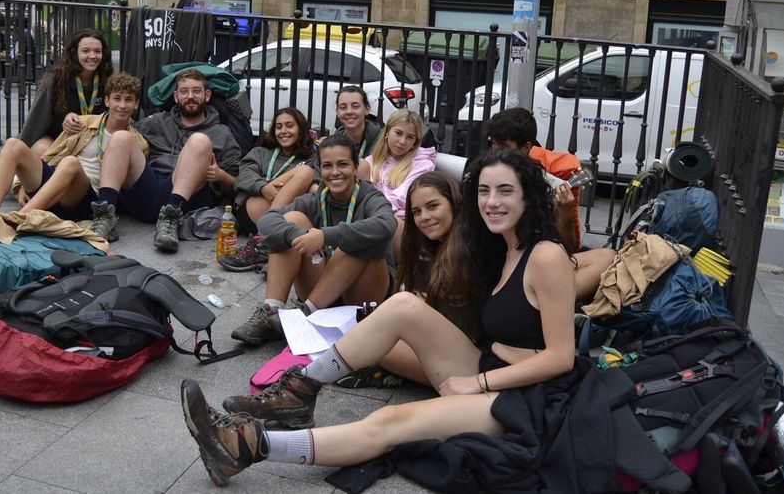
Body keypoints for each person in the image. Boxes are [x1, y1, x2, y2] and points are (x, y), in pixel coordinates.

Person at [180, 149, 578, 485]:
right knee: (403, 306)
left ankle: (245, 447)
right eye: (485, 191)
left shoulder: (545, 255)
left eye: (506, 191)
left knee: (389, 420)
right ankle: (299, 391)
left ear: (529, 196)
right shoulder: (500, 246)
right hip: (488, 363)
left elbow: (561, 358)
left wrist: (478, 382)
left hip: (525, 399)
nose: (492, 201)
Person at [230, 133, 396, 345]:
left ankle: (304, 314)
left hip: (362, 295)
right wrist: (298, 236)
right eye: (327, 166)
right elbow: (267, 220)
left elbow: (387, 224)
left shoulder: (371, 197)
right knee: (291, 220)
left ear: (356, 168)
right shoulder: (318, 198)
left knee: (354, 239)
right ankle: (271, 309)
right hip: (323, 287)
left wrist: (325, 236)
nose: (335, 172)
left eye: (343, 164)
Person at [0, 72, 146, 242]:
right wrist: (20, 185)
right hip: (56, 183)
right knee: (13, 145)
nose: (122, 105)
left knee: (71, 163)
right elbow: (51, 154)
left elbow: (131, 187)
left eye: (129, 100)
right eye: (117, 98)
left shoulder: (137, 143)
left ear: (136, 104)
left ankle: (14, 222)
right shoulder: (84, 123)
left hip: (86, 199)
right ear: (107, 101)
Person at [336, 171, 468, 389]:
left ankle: (310, 379)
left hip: (467, 363)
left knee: (374, 343)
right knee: (367, 334)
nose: (424, 217)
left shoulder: (468, 251)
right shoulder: (427, 248)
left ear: (454, 203)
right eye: (416, 211)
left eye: (433, 206)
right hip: (438, 345)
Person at [93, 68, 242, 252]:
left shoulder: (222, 134)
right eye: (184, 91)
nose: (190, 96)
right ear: (176, 96)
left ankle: (170, 219)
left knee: (199, 140)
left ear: (207, 95)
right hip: (149, 190)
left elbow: (236, 187)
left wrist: (220, 176)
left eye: (196, 91)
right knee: (121, 137)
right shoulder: (156, 122)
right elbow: (114, 126)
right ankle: (105, 216)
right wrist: (80, 120)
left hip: (187, 203)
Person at [485, 107, 614, 301]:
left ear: (526, 148)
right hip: (496, 256)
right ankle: (543, 299)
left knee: (608, 257)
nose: (495, 153)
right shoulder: (485, 171)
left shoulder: (544, 183)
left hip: (535, 260)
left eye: (503, 146)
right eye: (492, 145)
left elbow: (567, 247)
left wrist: (565, 212)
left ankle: (543, 298)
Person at [219, 107, 319, 273]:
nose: (283, 131)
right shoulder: (260, 152)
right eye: (278, 127)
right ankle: (265, 242)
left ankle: (268, 251)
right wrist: (263, 187)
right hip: (253, 210)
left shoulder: (312, 158)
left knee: (306, 174)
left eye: (289, 126)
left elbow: (318, 185)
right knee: (304, 172)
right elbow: (242, 177)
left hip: (290, 214)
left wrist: (289, 189)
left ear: (301, 130)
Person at [17, 28, 113, 157]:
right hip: (57, 139)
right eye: (85, 51)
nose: (92, 56)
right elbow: (35, 122)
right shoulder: (54, 79)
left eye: (97, 51)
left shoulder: (107, 80)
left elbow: (113, 118)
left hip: (92, 141)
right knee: (41, 148)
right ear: (75, 53)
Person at [360, 108, 436, 249]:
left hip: (401, 223)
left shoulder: (423, 165)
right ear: (387, 132)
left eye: (410, 137)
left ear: (415, 142)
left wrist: (370, 209)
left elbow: (402, 197)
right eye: (398, 133)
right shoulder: (372, 160)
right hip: (370, 218)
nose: (402, 141)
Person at [334, 85, 382, 159]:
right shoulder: (334, 142)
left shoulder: (383, 141)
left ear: (367, 109)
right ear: (337, 112)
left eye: (355, 106)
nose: (349, 111)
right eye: (343, 107)